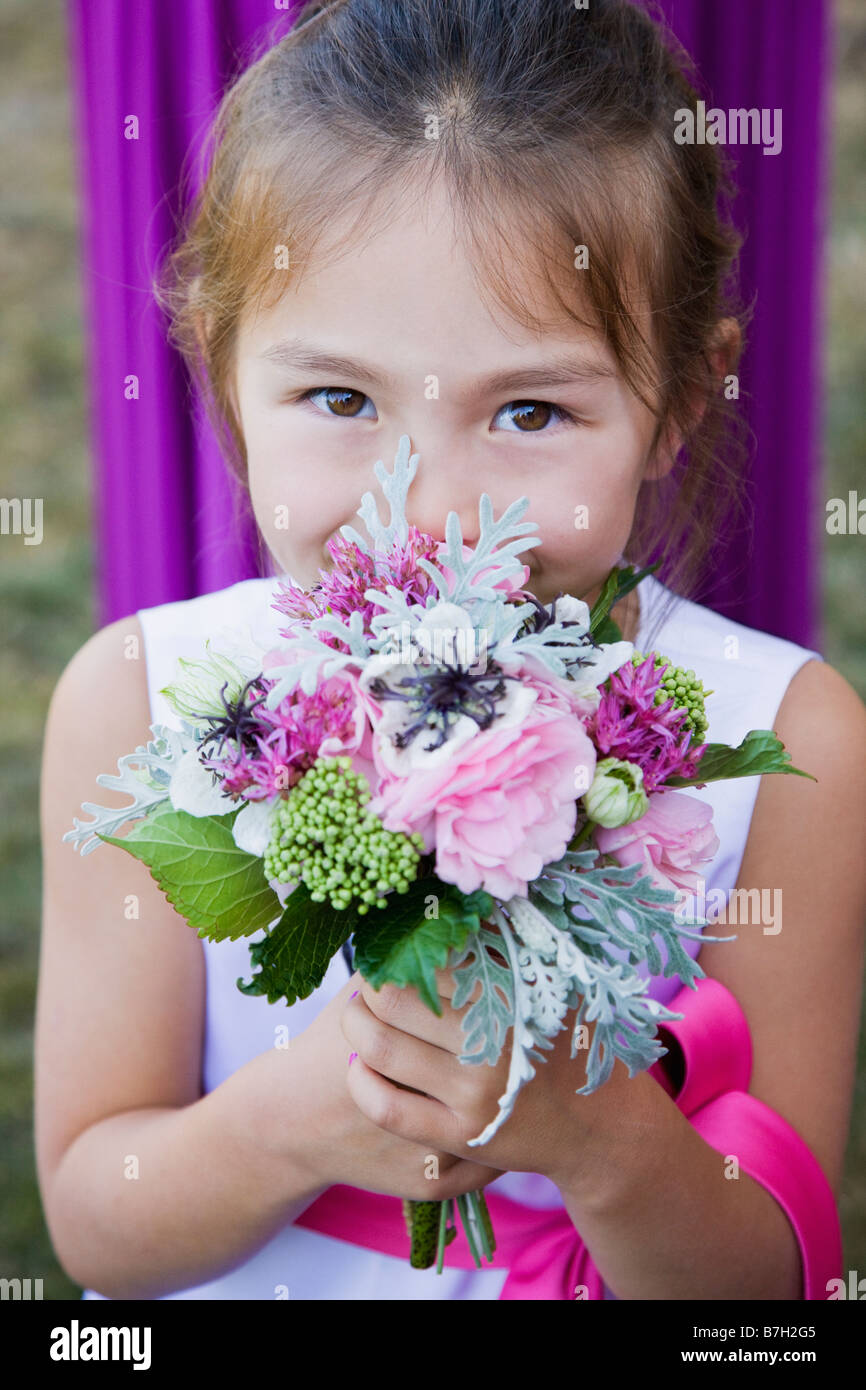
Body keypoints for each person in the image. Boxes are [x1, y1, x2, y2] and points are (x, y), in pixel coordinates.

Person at [36, 0, 865, 1300]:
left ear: (677, 405)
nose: (428, 512)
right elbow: (97, 1222)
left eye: (530, 409)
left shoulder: (791, 737)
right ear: (219, 366)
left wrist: (594, 1136)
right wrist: (307, 1112)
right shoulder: (138, 704)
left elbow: (764, 1286)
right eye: (341, 400)